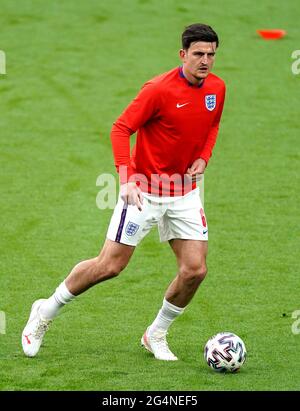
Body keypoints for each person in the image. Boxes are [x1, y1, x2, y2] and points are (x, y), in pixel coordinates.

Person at [22, 23, 226, 361]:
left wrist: (204, 157)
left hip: (185, 192)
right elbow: (121, 128)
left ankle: (156, 334)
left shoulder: (217, 88)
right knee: (110, 266)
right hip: (144, 191)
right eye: (199, 54)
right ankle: (45, 311)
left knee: (195, 270)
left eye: (211, 54)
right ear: (183, 55)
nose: (206, 60)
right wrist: (126, 177)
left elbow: (213, 123)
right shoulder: (158, 90)